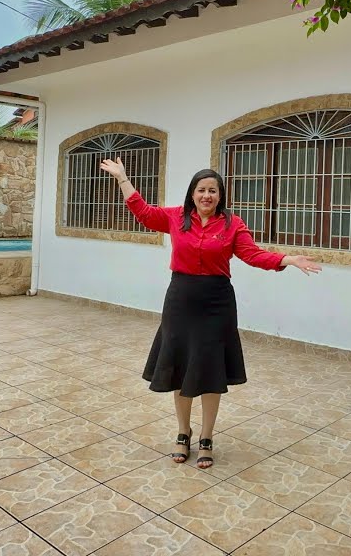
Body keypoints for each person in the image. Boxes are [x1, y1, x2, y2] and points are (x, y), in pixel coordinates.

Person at [98, 157, 322, 468]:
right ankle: (183, 432)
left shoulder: (232, 224)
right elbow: (144, 212)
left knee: (210, 369)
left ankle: (206, 436)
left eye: (213, 191)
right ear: (192, 193)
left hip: (217, 304)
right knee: (180, 367)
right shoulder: (176, 217)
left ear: (220, 196)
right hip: (181, 301)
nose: (207, 196)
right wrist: (123, 178)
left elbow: (253, 255)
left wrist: (288, 259)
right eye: (202, 190)